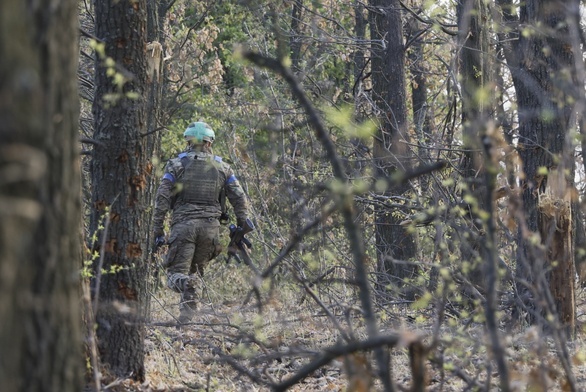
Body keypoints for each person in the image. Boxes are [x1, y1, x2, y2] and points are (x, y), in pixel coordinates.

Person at [153, 121, 249, 324]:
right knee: (195, 278)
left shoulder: (176, 165)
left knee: (176, 276)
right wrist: (242, 225)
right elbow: (239, 198)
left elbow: (162, 198)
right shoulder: (223, 167)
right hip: (210, 230)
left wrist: (157, 229)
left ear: (188, 141)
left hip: (183, 227)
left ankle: (185, 296)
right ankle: (186, 322)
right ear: (209, 142)